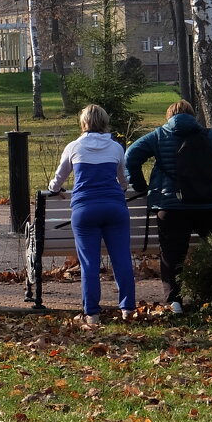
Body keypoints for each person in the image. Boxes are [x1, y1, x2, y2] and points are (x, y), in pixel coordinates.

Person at [125, 100, 212, 314]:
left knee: (171, 255)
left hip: (171, 206)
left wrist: (140, 185)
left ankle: (175, 302)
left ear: (168, 116)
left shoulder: (158, 135)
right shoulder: (210, 136)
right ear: (193, 116)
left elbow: (131, 157)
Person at [46, 104, 135, 325]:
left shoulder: (74, 147)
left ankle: (92, 313)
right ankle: (127, 309)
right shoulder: (115, 148)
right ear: (105, 122)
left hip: (85, 210)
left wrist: (54, 189)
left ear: (83, 123)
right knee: (122, 259)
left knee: (89, 264)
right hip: (115, 208)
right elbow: (124, 181)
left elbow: (57, 181)